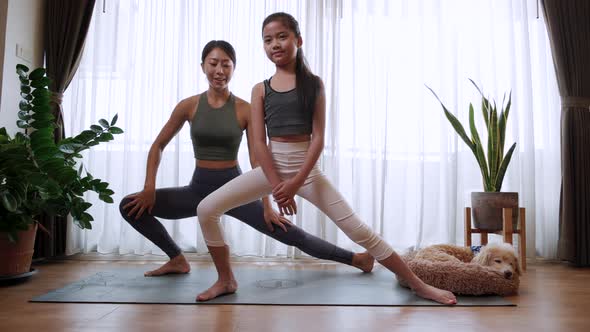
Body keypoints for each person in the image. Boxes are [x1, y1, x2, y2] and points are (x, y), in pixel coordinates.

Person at [196, 14, 458, 305]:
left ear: (298, 40)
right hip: (271, 170)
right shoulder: (260, 89)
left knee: (360, 231)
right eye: (267, 40)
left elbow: (318, 138)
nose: (275, 45)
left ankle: (418, 285)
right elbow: (258, 143)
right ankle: (226, 279)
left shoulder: (314, 84)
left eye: (282, 36)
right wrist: (276, 184)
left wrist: (294, 183)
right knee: (207, 208)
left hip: (306, 173)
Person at [119, 40, 374, 278]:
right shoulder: (189, 106)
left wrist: (266, 205)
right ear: (203, 66)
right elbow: (158, 146)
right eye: (213, 63)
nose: (219, 70)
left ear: (234, 68)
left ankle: (356, 259)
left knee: (290, 234)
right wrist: (149, 188)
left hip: (236, 190)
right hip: (198, 190)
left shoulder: (244, 109)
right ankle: (177, 258)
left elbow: (257, 159)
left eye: (226, 64)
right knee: (130, 206)